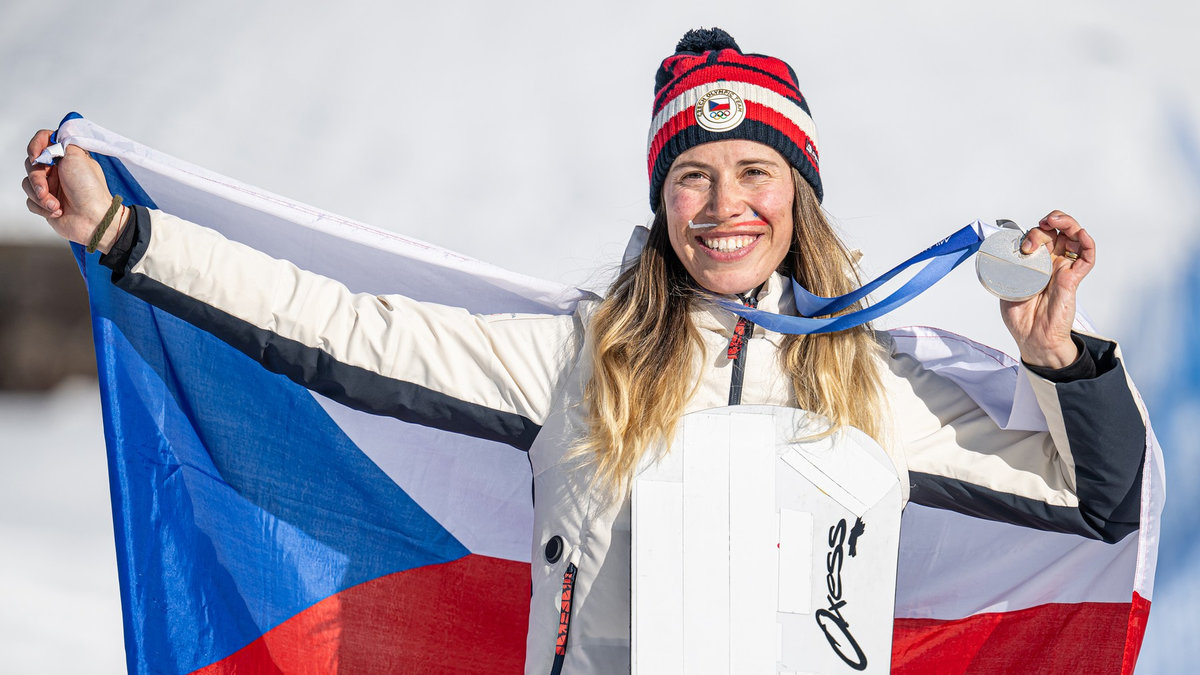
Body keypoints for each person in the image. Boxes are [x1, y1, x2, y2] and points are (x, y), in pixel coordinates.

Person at [22, 27, 1147, 674]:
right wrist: (125, 232)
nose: (725, 205)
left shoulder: (869, 383)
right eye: (692, 177)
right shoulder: (580, 358)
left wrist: (1057, 356)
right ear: (661, 204)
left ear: (798, 196)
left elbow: (1098, 499)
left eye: (755, 173)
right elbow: (343, 329)